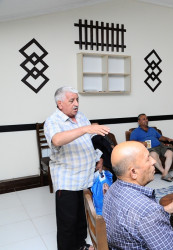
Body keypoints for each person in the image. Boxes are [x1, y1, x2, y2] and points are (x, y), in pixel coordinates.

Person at [44, 86, 110, 250]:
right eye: (71, 100)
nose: (76, 104)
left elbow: (87, 141)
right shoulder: (53, 121)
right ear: (60, 104)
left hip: (86, 177)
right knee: (68, 222)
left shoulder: (81, 117)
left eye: (77, 100)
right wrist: (86, 128)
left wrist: (98, 157)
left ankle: (81, 245)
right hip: (68, 180)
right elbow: (57, 140)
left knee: (82, 217)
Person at [130, 113, 173, 182]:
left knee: (170, 152)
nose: (146, 120)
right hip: (151, 148)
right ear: (139, 121)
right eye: (143, 119)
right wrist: (141, 143)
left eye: (146, 119)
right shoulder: (135, 132)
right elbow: (132, 142)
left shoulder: (152, 129)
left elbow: (160, 137)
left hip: (160, 145)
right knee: (153, 155)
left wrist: (168, 139)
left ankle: (165, 173)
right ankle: (164, 173)